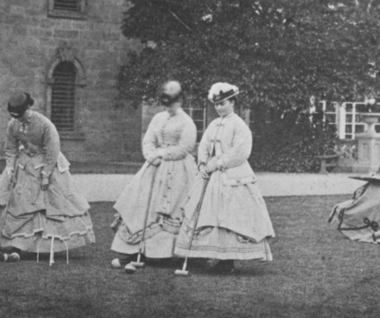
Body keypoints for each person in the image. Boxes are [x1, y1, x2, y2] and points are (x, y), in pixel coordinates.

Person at [174, 83, 275, 273]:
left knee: (231, 217)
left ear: (233, 103)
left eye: (223, 103)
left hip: (233, 177)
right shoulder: (213, 124)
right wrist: (203, 164)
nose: (219, 107)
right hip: (211, 178)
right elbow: (203, 146)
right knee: (206, 214)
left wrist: (215, 164)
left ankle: (228, 261)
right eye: (216, 104)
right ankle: (205, 254)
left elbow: (240, 152)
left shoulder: (239, 125)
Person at [0, 92, 94, 259]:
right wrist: (10, 169)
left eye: (21, 114)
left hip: (46, 164)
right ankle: (16, 244)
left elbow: (53, 150)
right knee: (17, 202)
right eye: (15, 116)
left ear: (28, 108)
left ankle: (45, 246)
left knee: (49, 203)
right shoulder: (13, 124)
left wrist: (46, 174)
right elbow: (10, 148)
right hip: (23, 163)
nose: (19, 119)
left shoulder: (45, 124)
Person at [110, 81, 198, 269]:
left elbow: (185, 148)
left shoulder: (186, 122)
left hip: (178, 170)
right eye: (166, 101)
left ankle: (168, 254)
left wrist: (163, 154)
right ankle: (137, 251)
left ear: (180, 99)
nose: (169, 106)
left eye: (172, 101)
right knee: (140, 205)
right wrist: (151, 155)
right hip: (154, 168)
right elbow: (148, 141)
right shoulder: (158, 118)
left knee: (173, 208)